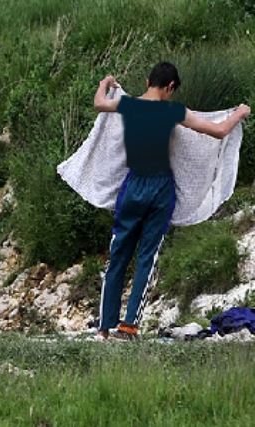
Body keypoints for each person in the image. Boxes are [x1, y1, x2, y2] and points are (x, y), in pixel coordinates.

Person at [93, 62, 250, 340]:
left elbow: (99, 104)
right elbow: (219, 131)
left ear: (147, 80)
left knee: (118, 254)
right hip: (160, 187)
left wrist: (106, 82)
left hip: (132, 186)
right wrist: (239, 113)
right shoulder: (174, 111)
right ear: (170, 87)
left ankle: (105, 327)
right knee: (147, 258)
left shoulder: (128, 105)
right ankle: (129, 327)